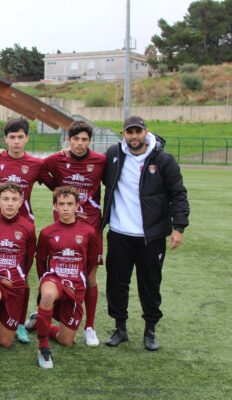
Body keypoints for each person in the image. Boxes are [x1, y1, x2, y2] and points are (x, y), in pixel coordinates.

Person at [102, 116, 189, 351]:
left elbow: (178, 194)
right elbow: (86, 167)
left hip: (151, 236)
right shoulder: (113, 155)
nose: (134, 136)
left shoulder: (163, 159)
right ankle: (120, 328)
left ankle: (150, 330)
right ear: (123, 134)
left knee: (150, 285)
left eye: (137, 131)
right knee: (117, 283)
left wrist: (178, 227)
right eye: (129, 132)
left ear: (145, 132)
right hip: (119, 233)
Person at [0, 117, 50, 344]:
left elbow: (55, 183)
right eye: (12, 137)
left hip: (24, 223)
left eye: (20, 137)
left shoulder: (36, 164)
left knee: (22, 274)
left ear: (27, 138)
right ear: (5, 139)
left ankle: (18, 323)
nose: (16, 141)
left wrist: (65, 152)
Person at [38, 120, 106, 346]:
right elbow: (37, 167)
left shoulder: (100, 160)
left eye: (84, 139)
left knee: (90, 277)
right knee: (58, 273)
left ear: (90, 141)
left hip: (91, 228)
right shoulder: (57, 159)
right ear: (68, 140)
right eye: (75, 139)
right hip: (64, 226)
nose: (79, 143)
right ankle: (46, 316)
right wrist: (54, 187)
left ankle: (90, 327)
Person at [34, 186, 98, 369]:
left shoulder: (88, 232)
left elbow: (92, 261)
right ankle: (43, 348)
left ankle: (39, 322)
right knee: (47, 296)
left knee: (66, 341)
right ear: (54, 206)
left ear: (77, 205)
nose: (66, 208)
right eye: (61, 204)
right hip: (54, 280)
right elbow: (40, 261)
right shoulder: (47, 232)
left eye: (70, 204)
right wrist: (44, 282)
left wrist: (82, 283)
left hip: (75, 286)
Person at [0, 182, 36, 368]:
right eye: (5, 199)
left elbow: (28, 259)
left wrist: (16, 276)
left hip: (14, 282)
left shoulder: (28, 227)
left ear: (21, 202)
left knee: (6, 341)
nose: (10, 203)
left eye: (14, 199)